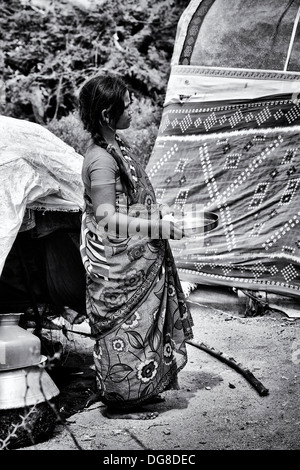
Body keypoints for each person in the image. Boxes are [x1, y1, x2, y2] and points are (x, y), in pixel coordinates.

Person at [78, 72, 194, 420]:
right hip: (117, 266)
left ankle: (142, 391)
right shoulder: (100, 159)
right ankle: (121, 402)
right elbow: (108, 219)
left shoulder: (118, 147)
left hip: (137, 257)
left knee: (144, 326)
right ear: (106, 114)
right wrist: (158, 226)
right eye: (126, 106)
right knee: (124, 330)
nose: (132, 110)